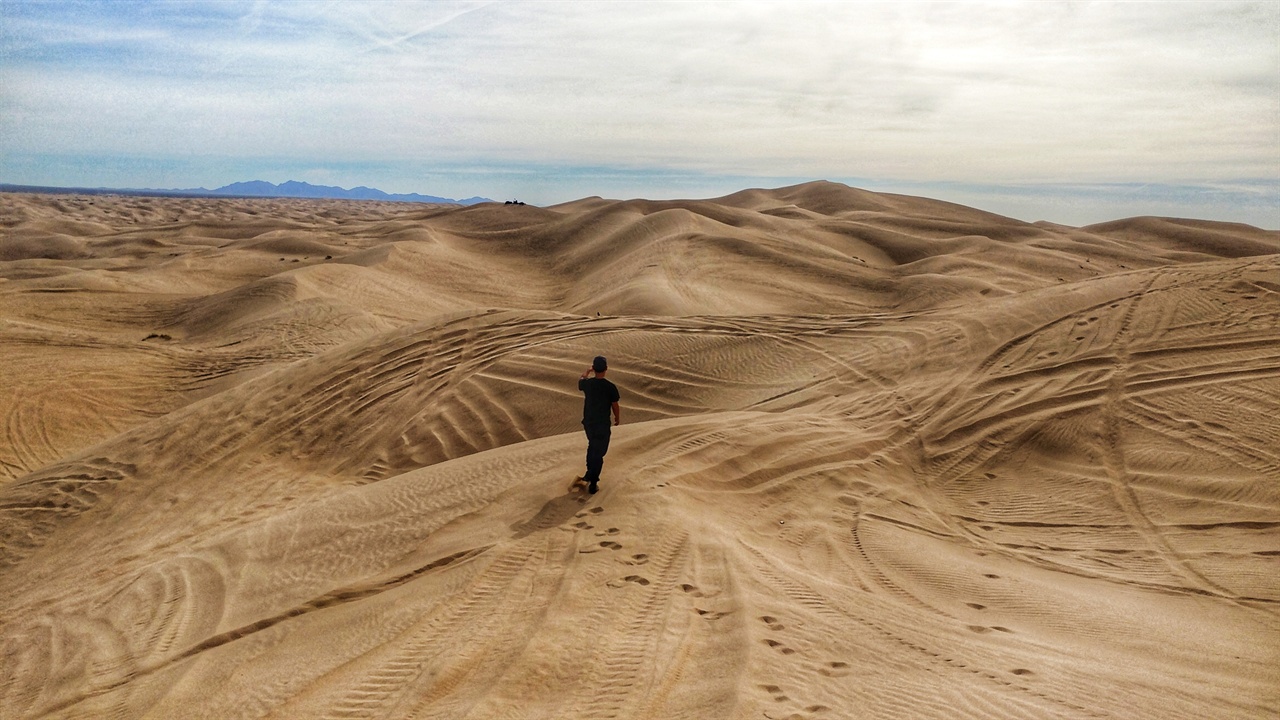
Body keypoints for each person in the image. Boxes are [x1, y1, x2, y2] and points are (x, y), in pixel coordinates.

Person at [577, 356, 620, 494]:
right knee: (599, 453)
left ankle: (589, 473)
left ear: (594, 368)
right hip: (602, 425)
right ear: (606, 368)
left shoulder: (588, 384)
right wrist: (617, 418)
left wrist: (587, 371)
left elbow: (581, 380)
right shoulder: (610, 387)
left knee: (593, 447)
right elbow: (615, 405)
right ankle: (593, 482)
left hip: (589, 424)